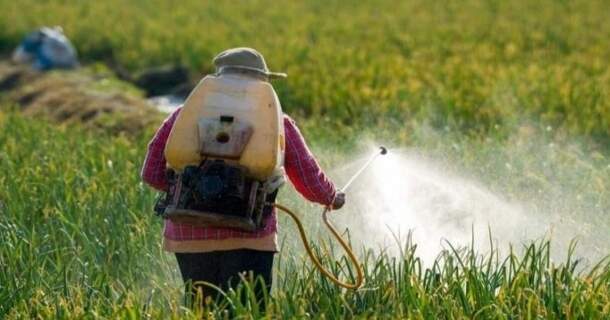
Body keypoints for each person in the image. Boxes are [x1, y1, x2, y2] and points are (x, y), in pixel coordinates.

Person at [141, 47, 345, 307]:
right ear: (262, 82)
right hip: (250, 234)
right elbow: (308, 176)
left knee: (202, 311)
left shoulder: (183, 116)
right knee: (248, 310)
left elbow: (151, 173)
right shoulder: (278, 123)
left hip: (188, 235)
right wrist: (332, 197)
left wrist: (194, 188)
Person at [12, 26, 79, 70]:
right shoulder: (58, 38)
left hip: (61, 62)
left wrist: (34, 68)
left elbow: (45, 62)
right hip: (70, 60)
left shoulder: (47, 42)